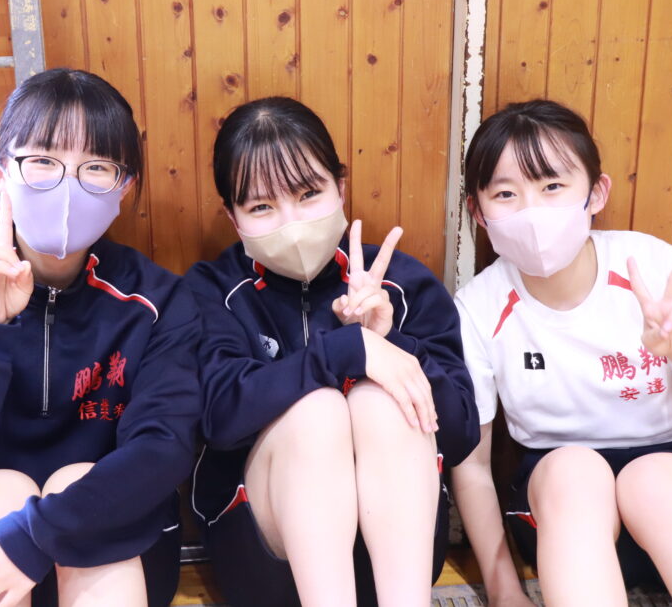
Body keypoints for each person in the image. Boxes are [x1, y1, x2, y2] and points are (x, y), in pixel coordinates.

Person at [0, 68, 201, 607]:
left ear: (124, 188)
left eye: (96, 167)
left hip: (111, 551)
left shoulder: (158, 301)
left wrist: (36, 535)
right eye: (43, 161)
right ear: (1, 171)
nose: (67, 185)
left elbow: (161, 452)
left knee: (78, 477)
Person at [451, 99, 672, 606]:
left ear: (596, 192)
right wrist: (504, 591)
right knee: (574, 470)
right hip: (562, 513)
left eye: (552, 186)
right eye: (506, 194)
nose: (532, 211)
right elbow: (471, 466)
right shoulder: (478, 307)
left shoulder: (655, 268)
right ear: (478, 210)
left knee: (651, 481)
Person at [184, 96, 480, 607]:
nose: (291, 221)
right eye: (261, 207)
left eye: (308, 194)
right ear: (232, 218)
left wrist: (390, 343)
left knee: (381, 401)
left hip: (399, 557)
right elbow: (218, 419)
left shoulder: (401, 282)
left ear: (340, 187)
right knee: (316, 412)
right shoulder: (213, 290)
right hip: (265, 560)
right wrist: (344, 351)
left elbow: (458, 436)